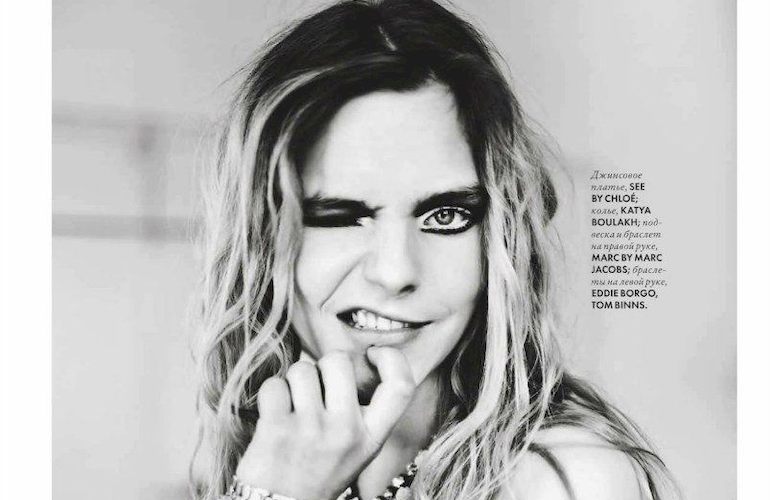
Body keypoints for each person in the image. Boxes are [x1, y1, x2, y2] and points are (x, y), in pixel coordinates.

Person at [193, 1, 679, 499]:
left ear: (501, 236)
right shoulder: (274, 450)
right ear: (260, 238)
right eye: (339, 216)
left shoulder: (563, 480)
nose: (395, 271)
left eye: (446, 216)